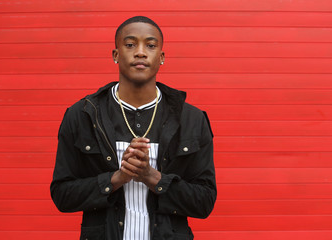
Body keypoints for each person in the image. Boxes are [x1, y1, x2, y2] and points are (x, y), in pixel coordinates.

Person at [50, 16, 216, 240]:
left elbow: (204, 202)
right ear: (116, 55)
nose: (140, 52)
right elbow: (62, 195)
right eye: (130, 45)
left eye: (150, 45)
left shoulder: (191, 119)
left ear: (162, 57)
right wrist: (117, 178)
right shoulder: (82, 115)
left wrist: (152, 177)